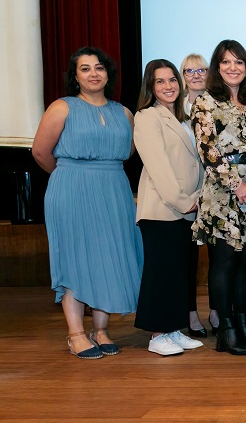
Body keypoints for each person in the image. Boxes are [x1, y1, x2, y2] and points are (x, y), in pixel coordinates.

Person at [32, 46, 143, 359]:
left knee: (108, 256)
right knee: (75, 258)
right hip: (70, 191)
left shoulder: (124, 113)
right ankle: (76, 333)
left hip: (114, 191)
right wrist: (71, 176)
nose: (94, 73)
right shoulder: (62, 108)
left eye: (99, 67)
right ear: (75, 76)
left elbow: (128, 153)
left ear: (108, 74)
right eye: (85, 68)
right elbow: (41, 152)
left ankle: (102, 330)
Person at [192, 39, 246, 356]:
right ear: (217, 68)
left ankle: (243, 323)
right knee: (223, 262)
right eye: (225, 62)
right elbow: (209, 152)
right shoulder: (205, 103)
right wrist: (239, 186)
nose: (232, 68)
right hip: (222, 193)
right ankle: (226, 331)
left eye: (238, 62)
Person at [132, 59, 206, 356]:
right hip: (164, 208)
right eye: (160, 81)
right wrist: (183, 200)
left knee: (179, 272)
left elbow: (197, 163)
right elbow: (158, 165)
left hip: (188, 207)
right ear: (150, 87)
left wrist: (199, 196)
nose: (168, 86)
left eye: (172, 80)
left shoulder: (184, 119)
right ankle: (157, 334)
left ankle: (174, 329)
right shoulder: (147, 116)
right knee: (160, 272)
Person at [180, 53, 213, 337]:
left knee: (218, 257)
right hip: (187, 191)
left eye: (201, 69)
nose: (196, 75)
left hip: (215, 191)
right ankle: (190, 312)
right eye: (189, 70)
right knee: (189, 259)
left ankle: (217, 311)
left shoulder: (218, 103)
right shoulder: (174, 109)